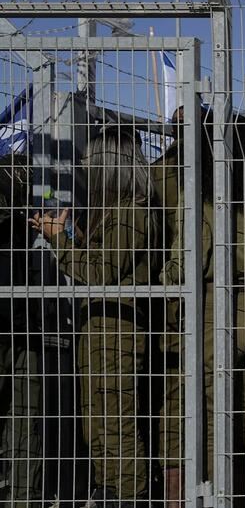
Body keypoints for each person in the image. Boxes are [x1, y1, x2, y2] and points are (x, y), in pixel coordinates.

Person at [158, 114, 245, 508]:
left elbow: (190, 260)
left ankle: (214, 494)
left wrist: (163, 281)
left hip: (216, 307)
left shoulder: (200, 198)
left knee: (212, 411)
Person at [30, 127, 163, 507]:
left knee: (115, 422)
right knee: (98, 422)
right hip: (102, 327)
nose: (86, 170)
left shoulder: (130, 211)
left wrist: (60, 240)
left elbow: (100, 272)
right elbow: (102, 260)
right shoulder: (117, 211)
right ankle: (110, 490)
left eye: (92, 163)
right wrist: (70, 233)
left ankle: (129, 495)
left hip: (116, 330)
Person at [0, 153, 50, 508]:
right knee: (23, 421)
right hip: (14, 326)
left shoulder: (22, 219)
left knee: (26, 421)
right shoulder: (15, 213)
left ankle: (23, 498)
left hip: (22, 328)